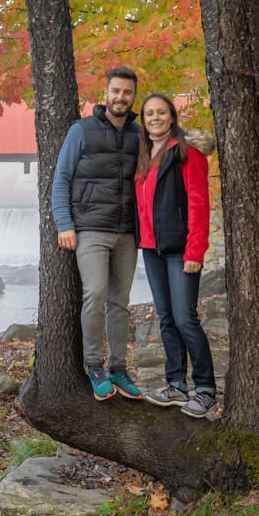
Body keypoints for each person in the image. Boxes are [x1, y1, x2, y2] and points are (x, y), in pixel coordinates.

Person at [51, 66, 145, 401]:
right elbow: (61, 178)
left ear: (134, 96)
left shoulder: (139, 134)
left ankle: (119, 368)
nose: (121, 97)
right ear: (105, 93)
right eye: (116, 91)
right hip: (90, 229)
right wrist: (65, 223)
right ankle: (94, 366)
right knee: (95, 293)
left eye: (128, 93)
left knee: (121, 302)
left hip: (127, 232)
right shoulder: (82, 131)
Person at [134, 93, 218, 418]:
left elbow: (198, 202)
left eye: (161, 112)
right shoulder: (143, 154)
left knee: (185, 318)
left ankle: (206, 389)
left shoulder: (187, 151)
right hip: (151, 249)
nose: (155, 118)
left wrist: (196, 249)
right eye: (149, 113)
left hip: (181, 249)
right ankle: (176, 385)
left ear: (171, 116)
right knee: (166, 318)